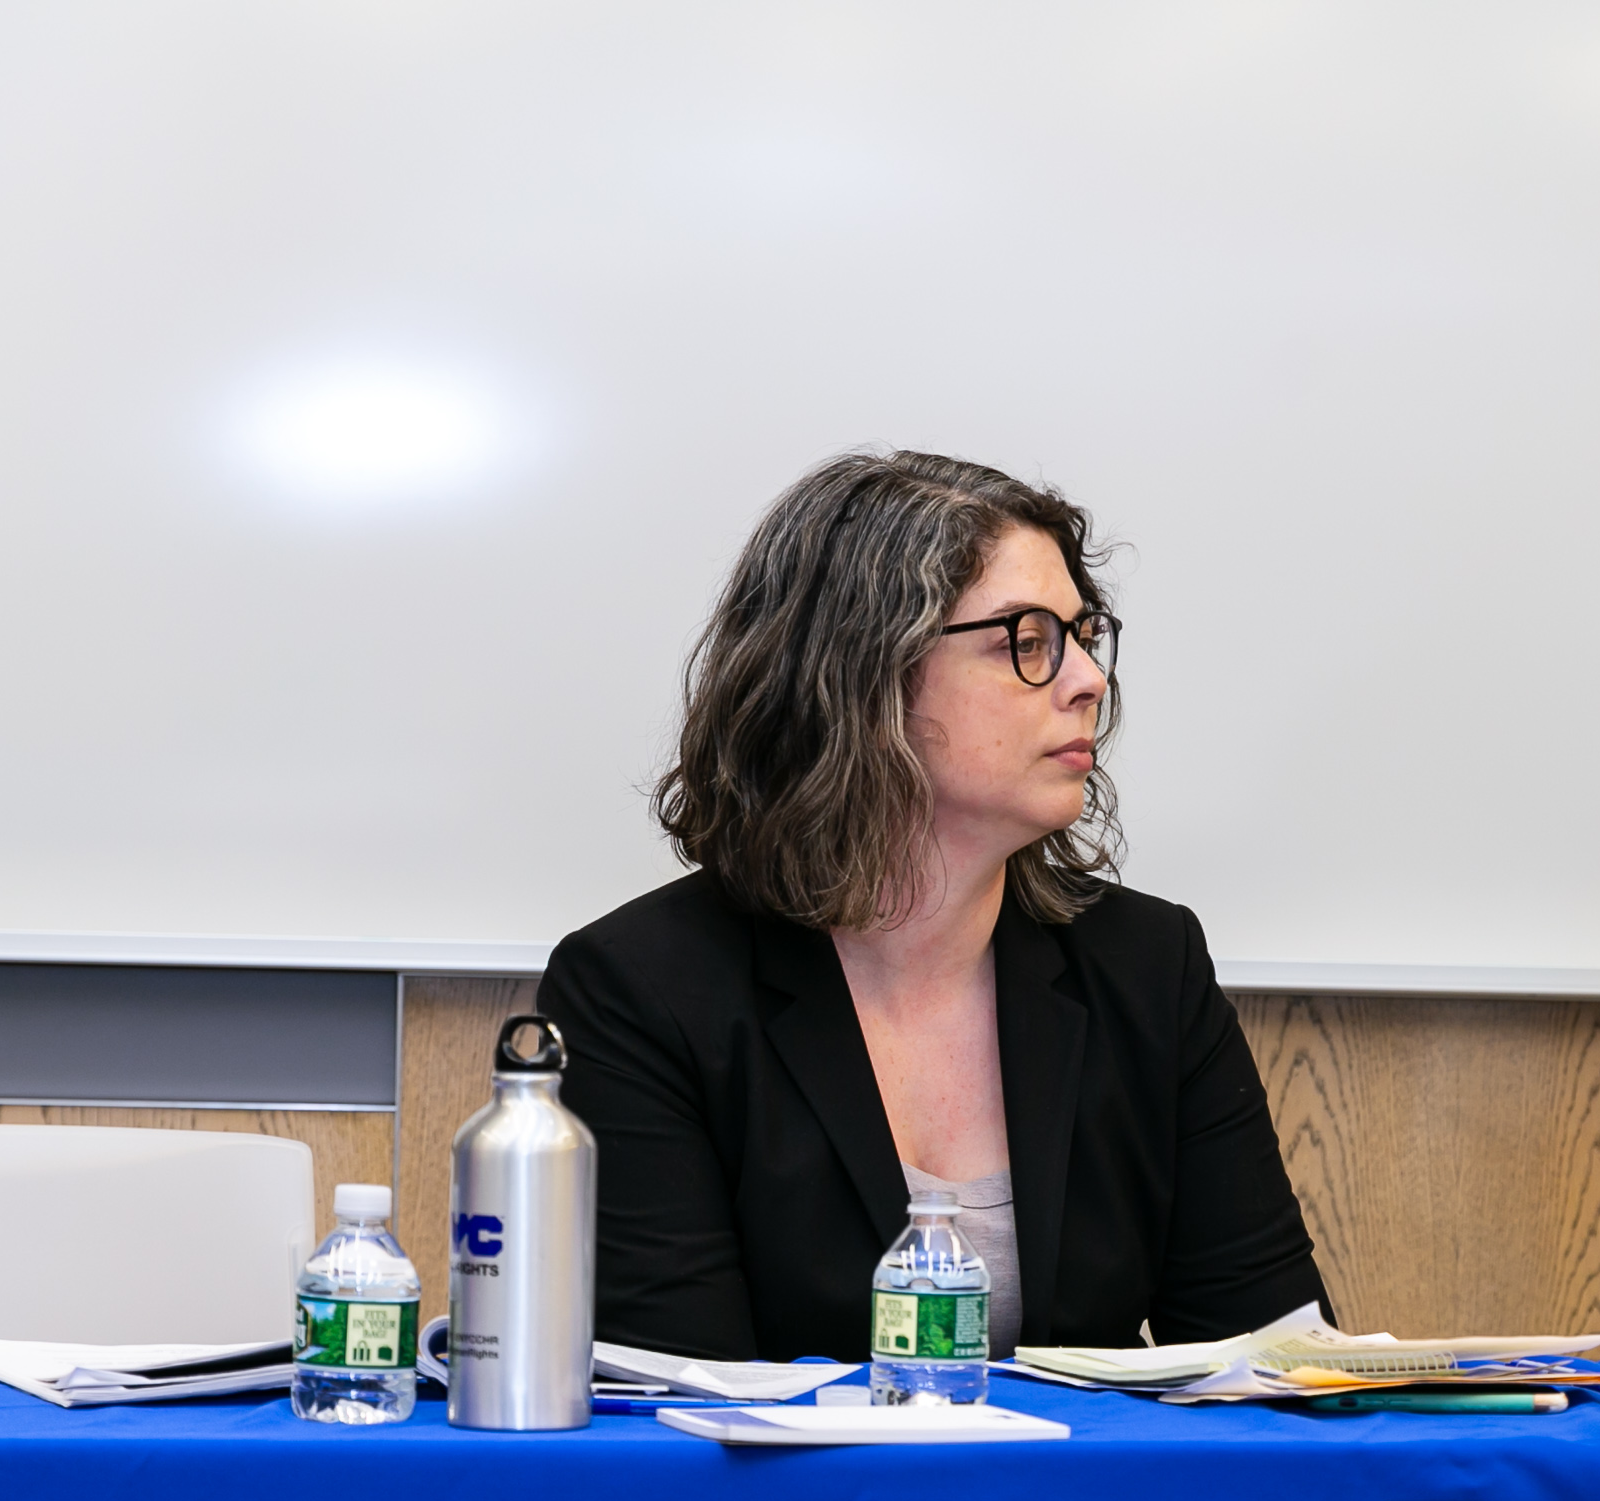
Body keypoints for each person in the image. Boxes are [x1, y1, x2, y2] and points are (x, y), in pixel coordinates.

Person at [538, 451, 1329, 1360]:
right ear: (865, 673)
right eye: (1026, 640)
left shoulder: (1149, 968)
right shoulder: (640, 990)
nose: (1087, 681)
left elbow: (1273, 1367)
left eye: (1082, 635)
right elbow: (676, 1406)